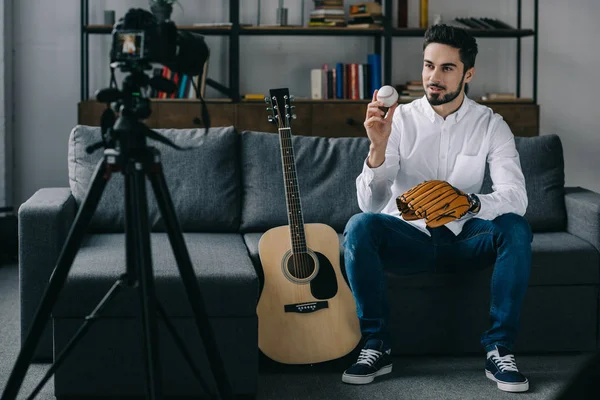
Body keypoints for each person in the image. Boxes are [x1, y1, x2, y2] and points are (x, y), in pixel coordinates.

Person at [341, 24, 532, 393]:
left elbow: (516, 197)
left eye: (446, 68)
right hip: (408, 239)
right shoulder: (399, 121)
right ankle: (376, 344)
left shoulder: (491, 125)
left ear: (468, 73)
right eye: (429, 66)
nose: (433, 77)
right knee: (359, 225)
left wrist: (470, 202)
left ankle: (499, 348)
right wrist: (377, 149)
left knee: (516, 228)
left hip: (466, 239)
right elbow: (370, 203)